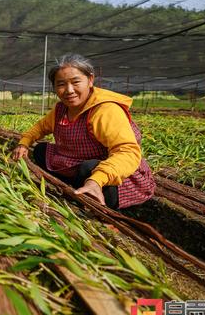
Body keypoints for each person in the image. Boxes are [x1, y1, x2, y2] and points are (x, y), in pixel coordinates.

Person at [12, 53, 154, 209]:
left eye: (76, 82)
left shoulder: (105, 110)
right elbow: (40, 127)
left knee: (89, 168)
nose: (69, 90)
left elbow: (127, 152)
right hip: (78, 161)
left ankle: (98, 198)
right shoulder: (61, 109)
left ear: (90, 80)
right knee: (41, 150)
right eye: (61, 84)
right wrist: (24, 143)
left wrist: (96, 180)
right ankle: (76, 185)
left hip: (114, 173)